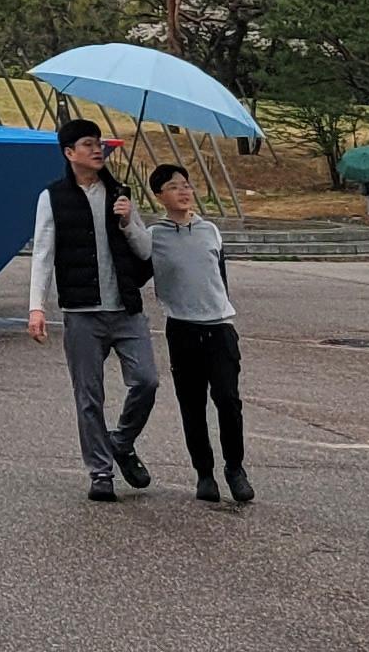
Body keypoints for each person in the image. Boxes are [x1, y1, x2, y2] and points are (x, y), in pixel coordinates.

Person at [27, 118, 161, 502]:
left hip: (126, 308)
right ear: (70, 153)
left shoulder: (120, 193)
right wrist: (36, 308)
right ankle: (100, 472)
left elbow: (146, 251)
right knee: (89, 396)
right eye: (88, 144)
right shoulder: (52, 197)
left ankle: (122, 440)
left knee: (147, 381)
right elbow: (43, 254)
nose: (97, 149)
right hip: (82, 312)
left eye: (98, 143)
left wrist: (128, 221)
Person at [144, 163, 252, 505]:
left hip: (219, 327)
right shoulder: (154, 236)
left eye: (187, 185)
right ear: (159, 195)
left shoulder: (210, 231)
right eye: (174, 186)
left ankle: (235, 469)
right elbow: (135, 272)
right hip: (182, 328)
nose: (184, 191)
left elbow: (219, 276)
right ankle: (204, 473)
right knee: (192, 404)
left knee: (228, 400)